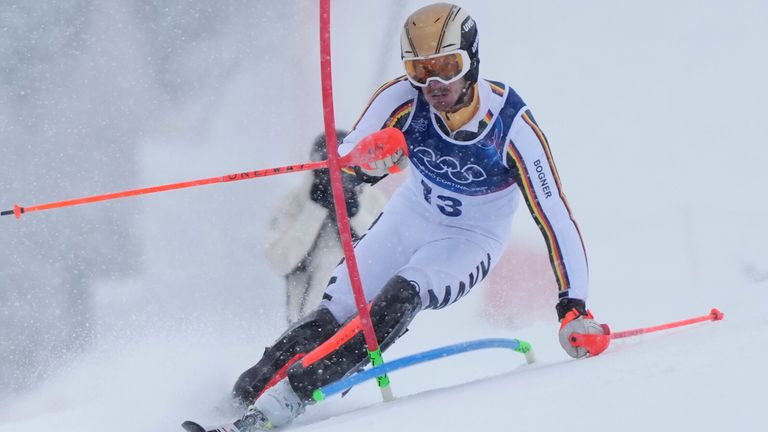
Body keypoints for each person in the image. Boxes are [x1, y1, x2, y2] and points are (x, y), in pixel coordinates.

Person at [232, 3, 603, 430]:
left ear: (472, 60)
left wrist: (574, 306)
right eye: (420, 69)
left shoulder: (511, 126)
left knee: (402, 294)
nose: (434, 83)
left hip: (470, 239)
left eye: (447, 66)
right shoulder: (401, 99)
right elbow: (349, 158)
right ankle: (238, 399)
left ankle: (287, 401)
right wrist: (360, 166)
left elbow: (555, 215)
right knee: (336, 311)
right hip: (411, 215)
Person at [263, 131, 387, 324]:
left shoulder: (372, 200)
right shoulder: (294, 202)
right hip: (305, 324)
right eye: (327, 171)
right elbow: (280, 261)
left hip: (361, 321)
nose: (336, 179)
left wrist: (354, 215)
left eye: (345, 171)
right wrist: (314, 210)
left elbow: (386, 256)